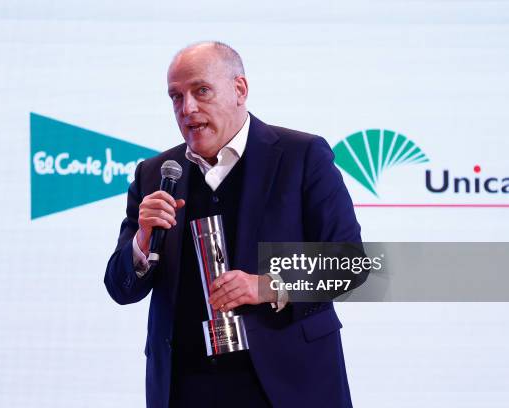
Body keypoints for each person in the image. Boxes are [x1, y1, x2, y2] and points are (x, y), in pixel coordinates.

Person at [104, 41, 362, 408]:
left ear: (239, 89)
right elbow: (120, 287)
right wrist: (143, 240)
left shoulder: (301, 155)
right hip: (185, 387)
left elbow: (350, 264)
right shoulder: (156, 174)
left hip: (288, 384)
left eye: (201, 91)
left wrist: (268, 286)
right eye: (176, 97)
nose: (187, 108)